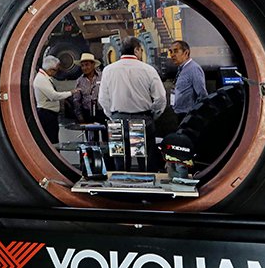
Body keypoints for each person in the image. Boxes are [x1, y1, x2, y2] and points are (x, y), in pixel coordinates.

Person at [99, 36, 167, 170]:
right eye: (141, 50)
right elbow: (160, 98)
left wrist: (113, 116)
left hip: (117, 122)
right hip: (141, 120)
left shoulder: (108, 70)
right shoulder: (148, 70)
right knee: (145, 165)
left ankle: (122, 183)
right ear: (136, 50)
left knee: (121, 165)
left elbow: (103, 99)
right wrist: (152, 115)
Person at [33, 55, 72, 146]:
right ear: (51, 69)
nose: (56, 73)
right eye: (56, 70)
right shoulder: (41, 79)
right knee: (51, 141)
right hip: (46, 114)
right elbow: (53, 96)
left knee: (53, 138)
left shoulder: (45, 78)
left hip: (50, 114)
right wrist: (70, 93)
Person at [169, 40, 208, 122]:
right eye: (171, 52)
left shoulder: (194, 68)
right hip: (181, 115)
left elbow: (202, 94)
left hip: (190, 116)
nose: (172, 55)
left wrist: (195, 114)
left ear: (186, 53)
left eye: (176, 51)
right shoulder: (181, 68)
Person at [70, 53, 101, 124]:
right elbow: (76, 100)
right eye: (82, 65)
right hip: (87, 113)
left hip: (101, 112)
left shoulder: (102, 77)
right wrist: (80, 116)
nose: (84, 68)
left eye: (87, 65)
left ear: (93, 65)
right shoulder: (80, 81)